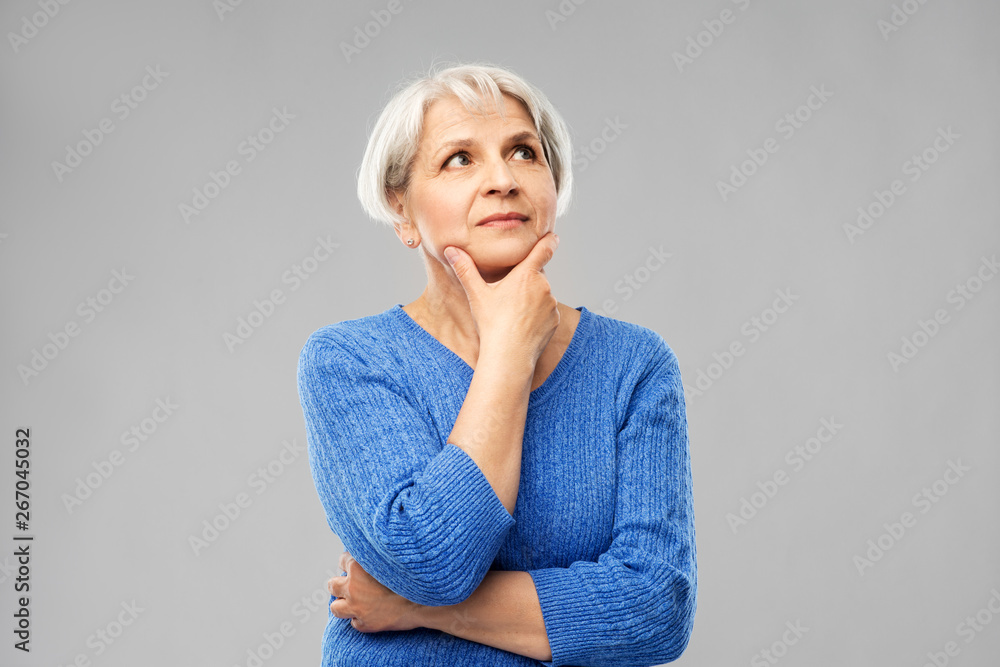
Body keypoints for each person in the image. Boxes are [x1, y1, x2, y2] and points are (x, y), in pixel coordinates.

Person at [296, 62, 697, 666]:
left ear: (553, 186)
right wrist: (510, 350)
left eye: (523, 152)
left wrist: (415, 609)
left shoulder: (633, 366)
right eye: (460, 159)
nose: (502, 179)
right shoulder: (349, 361)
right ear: (401, 207)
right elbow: (431, 559)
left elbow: (655, 609)